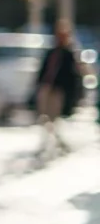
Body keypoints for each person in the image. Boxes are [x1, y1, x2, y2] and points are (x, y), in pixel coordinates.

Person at [34, 20, 81, 156]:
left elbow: (73, 75)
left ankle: (56, 139)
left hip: (58, 89)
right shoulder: (51, 52)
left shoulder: (68, 54)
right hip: (46, 87)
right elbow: (44, 69)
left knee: (53, 116)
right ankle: (51, 138)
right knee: (44, 115)